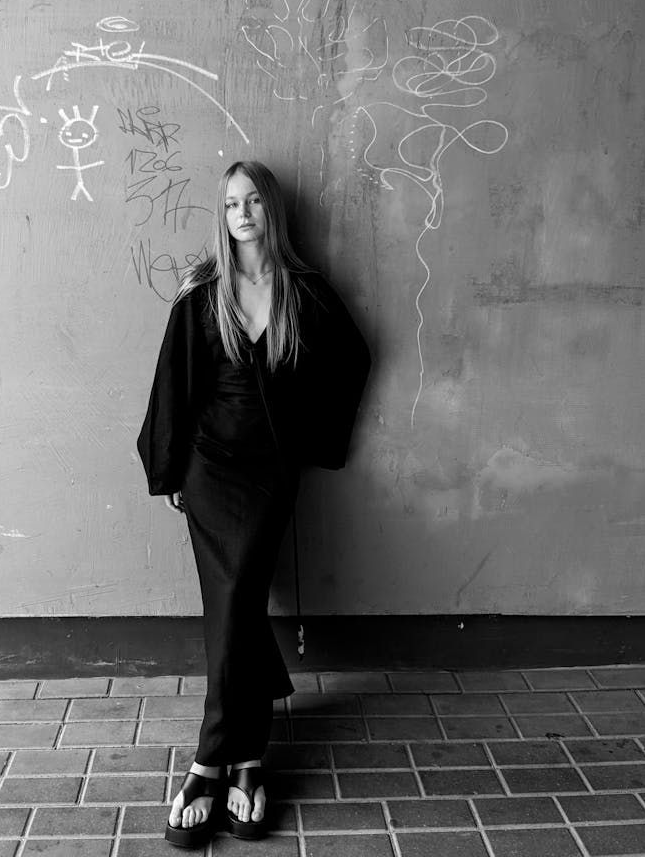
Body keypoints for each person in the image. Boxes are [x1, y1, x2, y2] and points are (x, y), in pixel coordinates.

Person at [137, 160, 370, 848]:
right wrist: (170, 468)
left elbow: (353, 358)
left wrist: (313, 442)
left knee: (236, 601)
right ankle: (243, 762)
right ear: (224, 214)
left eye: (254, 201)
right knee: (233, 605)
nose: (243, 213)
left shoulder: (304, 292)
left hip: (269, 473)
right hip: (209, 471)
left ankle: (207, 762)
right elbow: (172, 383)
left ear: (272, 211)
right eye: (232, 203)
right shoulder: (202, 290)